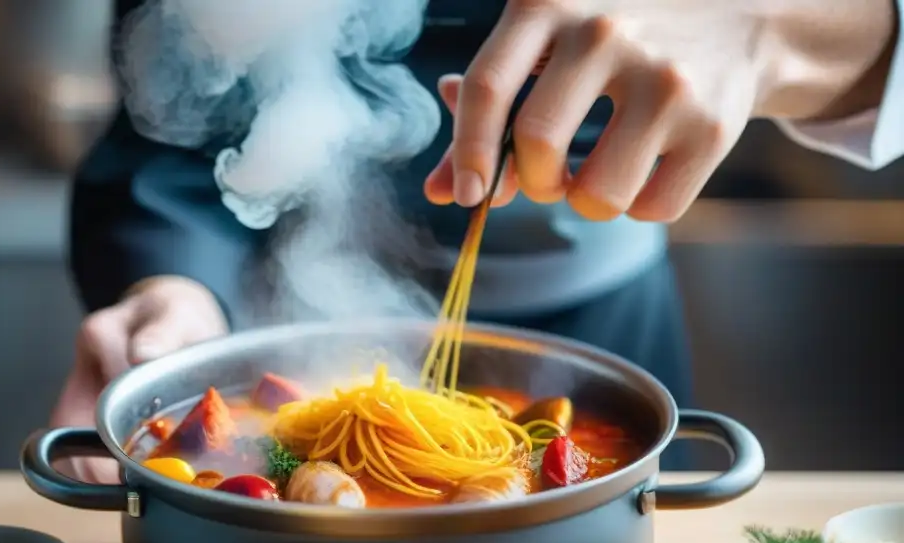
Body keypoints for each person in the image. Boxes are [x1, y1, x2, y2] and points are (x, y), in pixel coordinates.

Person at [53, 0, 904, 482]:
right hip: (274, 321)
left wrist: (761, 30)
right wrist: (172, 293)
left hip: (603, 326)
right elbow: (171, 91)